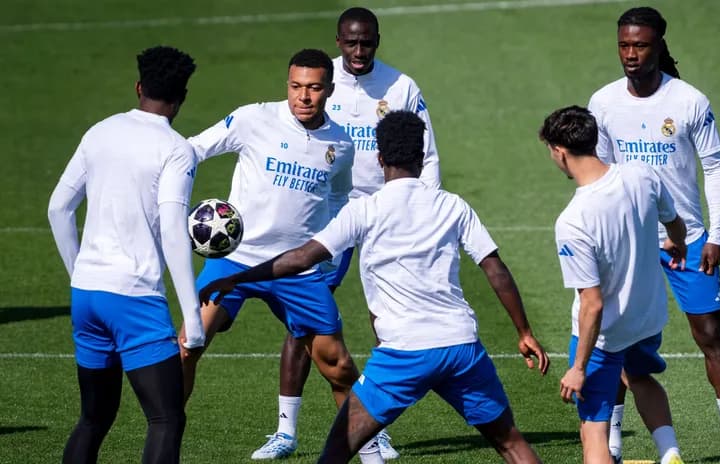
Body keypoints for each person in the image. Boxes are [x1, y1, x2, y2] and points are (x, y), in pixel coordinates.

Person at [199, 110, 549, 464]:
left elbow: (300, 259)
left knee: (335, 451)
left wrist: (235, 277)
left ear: (380, 158)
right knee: (510, 444)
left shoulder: (364, 210)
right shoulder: (452, 205)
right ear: (422, 156)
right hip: (461, 348)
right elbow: (495, 269)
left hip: (403, 354)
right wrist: (524, 332)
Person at [178, 48, 384, 463]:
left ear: (329, 89)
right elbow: (191, 150)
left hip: (296, 268)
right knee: (187, 344)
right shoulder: (254, 118)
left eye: (312, 88)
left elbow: (340, 198)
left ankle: (370, 453)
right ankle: (165, 432)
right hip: (234, 259)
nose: (302, 96)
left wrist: (327, 251)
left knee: (338, 366)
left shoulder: (341, 145)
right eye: (295, 87)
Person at [259, 7, 442, 460]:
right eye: (351, 43)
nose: (359, 52)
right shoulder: (321, 80)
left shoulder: (401, 86)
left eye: (368, 43)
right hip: (329, 215)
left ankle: (374, 429)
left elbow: (428, 154)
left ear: (378, 40)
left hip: (389, 213)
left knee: (389, 320)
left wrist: (423, 210)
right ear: (338, 41)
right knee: (307, 316)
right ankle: (285, 430)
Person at [586, 7, 720, 463]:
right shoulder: (603, 102)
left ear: (658, 46)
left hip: (689, 241)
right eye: (624, 44)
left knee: (710, 334)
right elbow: (599, 175)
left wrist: (717, 235)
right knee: (616, 339)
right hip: (629, 243)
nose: (630, 53)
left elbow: (715, 166)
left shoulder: (689, 101)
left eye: (640, 45)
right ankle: (614, 445)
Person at [48, 45, 202, 464]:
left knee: (93, 418)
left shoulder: (100, 131)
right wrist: (192, 315)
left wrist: (79, 273)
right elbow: (173, 229)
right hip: (134, 300)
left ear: (139, 87)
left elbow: (58, 208)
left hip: (87, 296)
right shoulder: (176, 148)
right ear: (181, 97)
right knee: (166, 419)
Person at [543, 106, 687, 464]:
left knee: (593, 430)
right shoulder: (642, 174)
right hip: (647, 319)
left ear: (560, 151)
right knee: (639, 376)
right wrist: (677, 244)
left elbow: (592, 303)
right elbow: (675, 223)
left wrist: (578, 368)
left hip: (605, 336)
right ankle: (670, 455)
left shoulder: (573, 220)